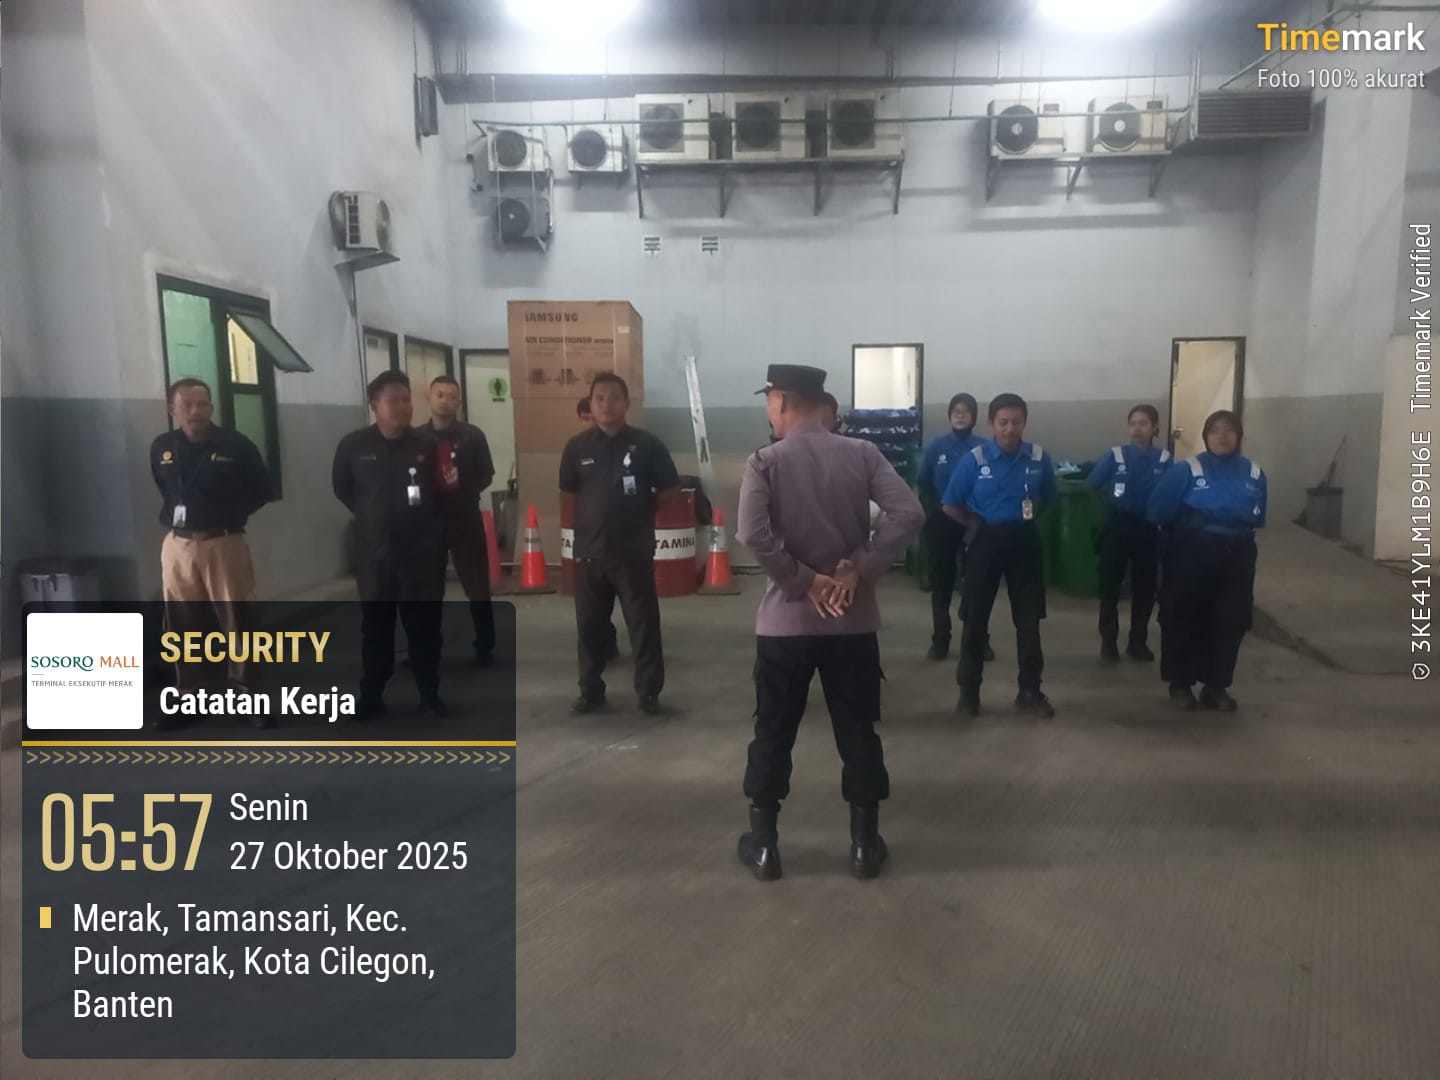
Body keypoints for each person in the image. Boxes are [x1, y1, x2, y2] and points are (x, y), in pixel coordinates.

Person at [735, 364, 924, 882]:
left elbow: (751, 533)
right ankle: (864, 845)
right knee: (857, 731)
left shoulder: (765, 461)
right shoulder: (863, 454)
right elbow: (909, 514)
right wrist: (859, 566)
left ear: (781, 402)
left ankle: (765, 846)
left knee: (773, 732)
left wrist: (803, 581)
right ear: (823, 406)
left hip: (785, 627)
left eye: (769, 402)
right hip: (852, 624)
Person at [150, 378, 273, 722]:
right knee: (181, 624)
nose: (196, 411)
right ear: (172, 409)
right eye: (187, 405)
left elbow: (262, 490)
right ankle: (191, 697)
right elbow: (164, 488)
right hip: (178, 545)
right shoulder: (162, 447)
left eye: (202, 404)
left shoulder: (236, 444)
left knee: (239, 620)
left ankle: (248, 697)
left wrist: (228, 514)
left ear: (212, 407)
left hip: (224, 542)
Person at [559, 373, 679, 715]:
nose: (606, 404)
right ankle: (590, 689)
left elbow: (670, 489)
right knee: (589, 626)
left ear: (626, 403)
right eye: (599, 398)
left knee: (643, 624)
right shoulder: (577, 447)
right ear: (591, 403)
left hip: (633, 551)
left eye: (614, 397)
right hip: (590, 553)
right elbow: (568, 494)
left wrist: (643, 507)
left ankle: (648, 692)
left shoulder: (647, 445)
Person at [332, 370, 450, 718]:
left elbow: (445, 494)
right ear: (374, 404)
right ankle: (372, 695)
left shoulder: (429, 446)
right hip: (375, 556)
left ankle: (429, 695)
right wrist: (374, 518)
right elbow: (343, 489)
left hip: (421, 556)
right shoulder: (354, 446)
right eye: (392, 400)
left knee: (424, 629)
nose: (401, 407)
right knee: (375, 629)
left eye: (406, 399)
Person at [942, 392, 1056, 719]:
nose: (1009, 428)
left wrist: (1024, 521)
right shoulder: (974, 460)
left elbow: (1049, 497)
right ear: (991, 423)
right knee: (975, 619)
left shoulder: (1038, 458)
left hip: (1025, 543)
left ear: (1025, 423)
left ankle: (1030, 691)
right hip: (986, 543)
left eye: (1016, 422)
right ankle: (969, 694)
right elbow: (950, 504)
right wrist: (977, 523)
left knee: (1029, 621)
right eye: (1003, 422)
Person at [1147, 410, 1267, 712]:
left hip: (1238, 553)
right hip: (1193, 550)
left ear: (1239, 436)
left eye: (1229, 430)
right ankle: (1180, 683)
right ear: (1205, 436)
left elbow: (1259, 515)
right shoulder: (1186, 470)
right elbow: (1158, 511)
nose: (1222, 436)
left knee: (1231, 618)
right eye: (1215, 430)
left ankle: (1216, 686)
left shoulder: (1253, 473)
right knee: (1184, 614)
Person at [1086, 404, 1172, 663]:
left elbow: (1172, 492)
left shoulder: (1165, 459)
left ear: (1155, 427)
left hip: (1148, 529)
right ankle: (1108, 642)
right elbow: (1092, 484)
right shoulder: (1116, 456)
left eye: (1143, 423)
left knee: (1145, 588)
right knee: (1110, 586)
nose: (1137, 428)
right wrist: (1109, 507)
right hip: (1117, 527)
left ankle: (1138, 642)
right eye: (1133, 423)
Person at [421, 375, 497, 667]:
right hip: (428, 523)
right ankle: (427, 646)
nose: (445, 401)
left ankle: (485, 644)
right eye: (440, 394)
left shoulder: (472, 436)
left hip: (465, 519)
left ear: (459, 402)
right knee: (428, 588)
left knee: (477, 586)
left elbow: (486, 474)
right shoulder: (416, 438)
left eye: (452, 396)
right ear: (429, 398)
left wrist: (463, 492)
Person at [917, 392, 984, 661]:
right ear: (949, 415)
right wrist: (934, 511)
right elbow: (924, 482)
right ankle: (941, 639)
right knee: (941, 583)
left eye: (966, 411)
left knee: (977, 583)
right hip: (942, 522)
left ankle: (978, 640)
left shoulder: (983, 448)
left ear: (974, 417)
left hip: (976, 523)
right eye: (956, 410)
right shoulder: (936, 447)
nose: (960, 415)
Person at [576, 395, 620, 661]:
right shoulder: (576, 450)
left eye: (591, 418)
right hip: (590, 544)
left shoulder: (622, 449)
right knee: (592, 609)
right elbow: (570, 493)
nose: (590, 423)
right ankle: (598, 654)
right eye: (584, 419)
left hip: (623, 545)